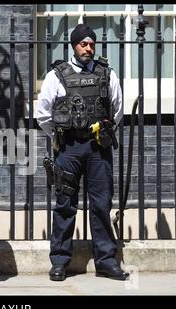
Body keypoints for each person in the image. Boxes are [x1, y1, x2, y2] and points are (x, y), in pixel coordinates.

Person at [37, 24, 129, 281]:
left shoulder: (106, 74)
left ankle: (106, 261)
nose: (88, 49)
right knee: (65, 206)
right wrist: (58, 137)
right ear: (74, 45)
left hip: (98, 147)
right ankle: (59, 262)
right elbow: (43, 113)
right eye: (83, 44)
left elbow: (117, 109)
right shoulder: (57, 75)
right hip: (68, 149)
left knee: (101, 205)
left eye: (91, 44)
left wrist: (104, 132)